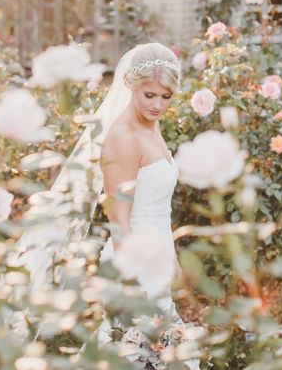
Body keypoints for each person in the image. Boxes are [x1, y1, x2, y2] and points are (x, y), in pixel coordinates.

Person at [96, 43, 201, 369]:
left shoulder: (150, 125)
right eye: (149, 95)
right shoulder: (123, 136)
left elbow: (158, 208)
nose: (158, 105)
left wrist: (171, 258)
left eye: (165, 96)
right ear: (131, 86)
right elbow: (118, 218)